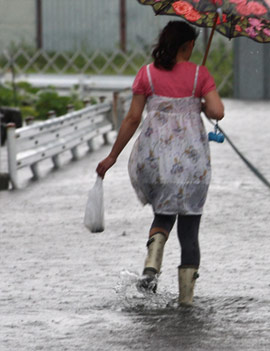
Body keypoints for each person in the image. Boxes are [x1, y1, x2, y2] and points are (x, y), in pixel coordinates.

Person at [96, 21, 224, 306]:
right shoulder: (199, 75)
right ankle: (187, 301)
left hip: (155, 160)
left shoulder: (147, 74)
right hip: (192, 163)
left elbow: (131, 118)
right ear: (186, 46)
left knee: (163, 215)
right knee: (189, 230)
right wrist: (200, 102)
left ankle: (152, 265)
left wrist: (112, 156)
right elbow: (217, 111)